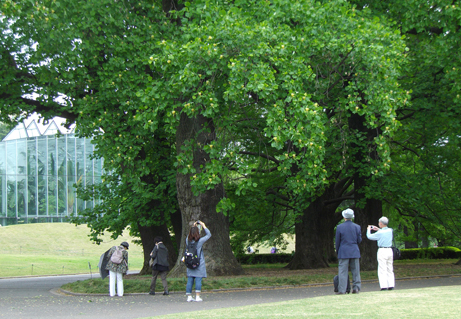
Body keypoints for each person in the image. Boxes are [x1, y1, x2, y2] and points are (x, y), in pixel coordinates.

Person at [335, 208, 362, 294]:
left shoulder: (339, 227)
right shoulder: (357, 227)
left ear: (344, 217)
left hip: (343, 251)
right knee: (356, 271)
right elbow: (359, 240)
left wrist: (337, 251)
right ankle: (356, 288)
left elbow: (337, 241)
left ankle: (342, 289)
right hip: (354, 250)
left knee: (342, 271)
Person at [184, 220, 211, 302]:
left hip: (189, 262)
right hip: (199, 263)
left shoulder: (187, 240)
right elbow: (209, 235)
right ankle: (197, 296)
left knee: (190, 280)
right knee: (198, 279)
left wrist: (193, 226)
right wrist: (203, 225)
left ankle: (189, 297)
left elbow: (191, 233)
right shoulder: (200, 241)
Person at [367, 216, 395, 291]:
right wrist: (378, 229)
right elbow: (384, 232)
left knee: (382, 268)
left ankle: (384, 286)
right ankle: (391, 284)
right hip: (389, 250)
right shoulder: (390, 230)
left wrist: (369, 230)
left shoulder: (380, 233)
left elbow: (369, 236)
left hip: (382, 250)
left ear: (381, 223)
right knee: (390, 268)